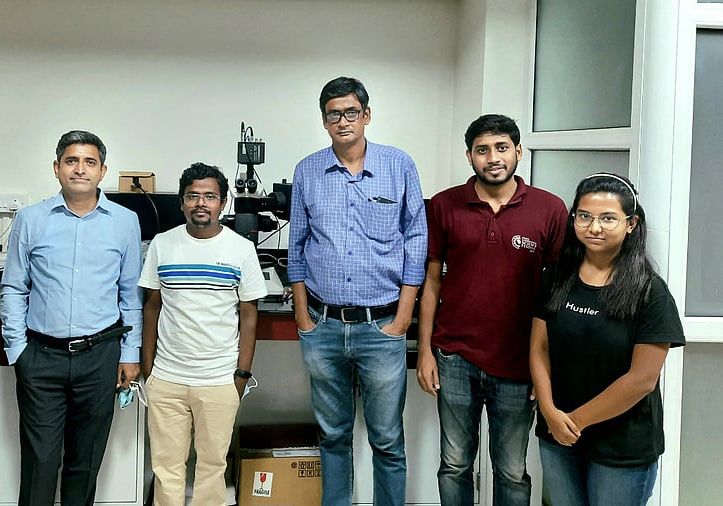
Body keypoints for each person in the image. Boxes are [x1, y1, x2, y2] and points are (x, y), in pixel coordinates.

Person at [287, 76, 428, 506]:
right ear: (324, 121)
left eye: (351, 112)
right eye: (334, 114)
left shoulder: (398, 165)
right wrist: (302, 317)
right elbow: (297, 245)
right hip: (323, 326)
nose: (343, 121)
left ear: (366, 115)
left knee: (387, 439)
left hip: (381, 326)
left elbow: (416, 242)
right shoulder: (307, 170)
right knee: (332, 436)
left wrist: (402, 320)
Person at [416, 114, 568, 505]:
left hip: (520, 362)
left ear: (518, 151)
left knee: (512, 472)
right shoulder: (444, 205)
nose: (493, 158)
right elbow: (431, 282)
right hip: (454, 357)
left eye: (502, 148)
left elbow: (558, 293)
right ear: (469, 156)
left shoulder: (550, 209)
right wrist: (425, 351)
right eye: (482, 150)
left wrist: (546, 366)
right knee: (454, 465)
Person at [0, 130, 143, 506]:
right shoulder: (30, 219)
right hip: (41, 358)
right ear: (57, 168)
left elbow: (130, 295)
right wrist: (18, 350)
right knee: (40, 462)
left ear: (102, 171)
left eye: (89, 162)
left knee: (85, 463)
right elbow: (13, 287)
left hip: (100, 357)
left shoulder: (125, 222)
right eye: (72, 161)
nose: (80, 169)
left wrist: (130, 354)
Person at [530, 173, 685, 506]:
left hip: (621, 445)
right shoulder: (555, 277)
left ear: (631, 224)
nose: (594, 227)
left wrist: (573, 423)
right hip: (557, 435)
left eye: (608, 218)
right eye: (584, 216)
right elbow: (539, 349)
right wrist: (549, 411)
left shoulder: (650, 292)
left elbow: (641, 380)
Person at [139, 162, 266, 506]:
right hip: (168, 379)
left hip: (219, 379)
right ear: (182, 202)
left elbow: (249, 316)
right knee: (166, 469)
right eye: (193, 196)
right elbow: (152, 308)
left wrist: (241, 376)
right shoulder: (162, 245)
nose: (201, 203)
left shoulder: (241, 249)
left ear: (223, 203)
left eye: (209, 196)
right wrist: (149, 371)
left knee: (212, 468)